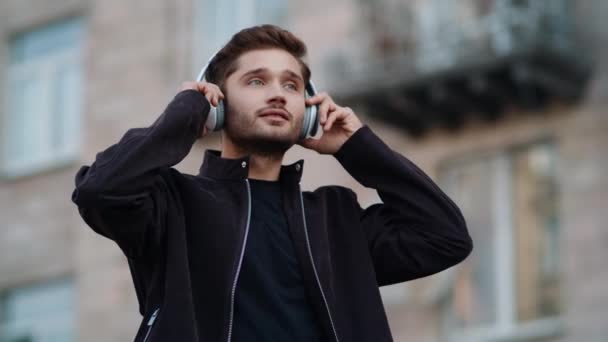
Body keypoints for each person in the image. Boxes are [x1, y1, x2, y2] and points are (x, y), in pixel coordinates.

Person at [71, 24, 473, 342]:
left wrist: (358, 147)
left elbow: (446, 237)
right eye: (257, 82)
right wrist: (183, 116)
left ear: (310, 111)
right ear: (218, 104)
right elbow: (99, 190)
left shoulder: (336, 219)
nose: (278, 95)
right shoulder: (172, 205)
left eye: (291, 85)